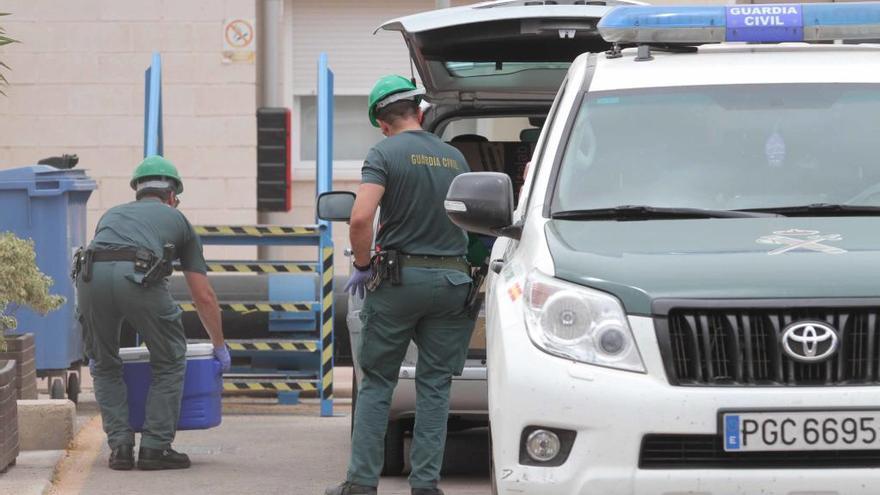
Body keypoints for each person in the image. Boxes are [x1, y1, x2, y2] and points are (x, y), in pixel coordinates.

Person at [326, 75, 475, 495]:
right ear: (420, 112)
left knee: (377, 382)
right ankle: (426, 485)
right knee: (435, 385)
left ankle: (361, 483)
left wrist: (361, 263)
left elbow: (360, 218)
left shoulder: (384, 152)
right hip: (451, 281)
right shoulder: (455, 158)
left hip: (398, 280)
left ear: (382, 122)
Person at [75, 155, 230, 471]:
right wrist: (219, 345)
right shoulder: (179, 222)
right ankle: (155, 448)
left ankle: (119, 448)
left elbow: (106, 254)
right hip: (138, 278)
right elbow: (203, 296)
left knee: (103, 364)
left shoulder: (111, 214)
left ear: (138, 191)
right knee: (170, 358)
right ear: (172, 195)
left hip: (89, 279)